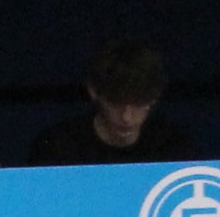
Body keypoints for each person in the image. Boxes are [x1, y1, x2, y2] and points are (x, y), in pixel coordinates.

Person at [29, 36, 201, 166]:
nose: (126, 117)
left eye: (138, 103)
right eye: (115, 103)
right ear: (94, 92)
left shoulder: (176, 150)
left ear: (154, 98)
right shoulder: (57, 149)